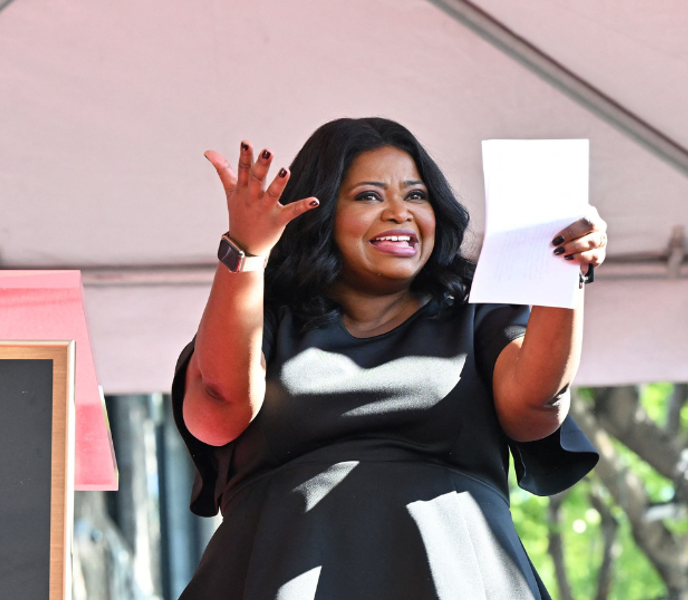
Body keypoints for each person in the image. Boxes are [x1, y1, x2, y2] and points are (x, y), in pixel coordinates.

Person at [174, 118, 603, 599]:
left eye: (416, 196)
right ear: (319, 214)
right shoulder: (264, 317)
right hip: (276, 572)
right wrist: (245, 254)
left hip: (457, 575)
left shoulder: (477, 315)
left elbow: (536, 408)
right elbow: (218, 407)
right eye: (369, 196)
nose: (399, 212)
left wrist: (565, 273)